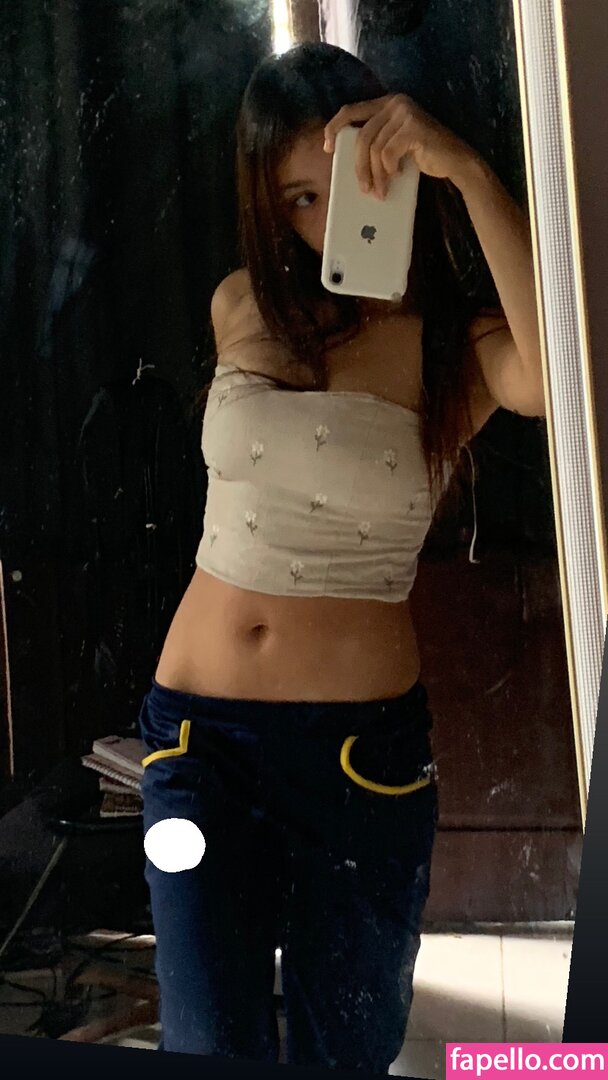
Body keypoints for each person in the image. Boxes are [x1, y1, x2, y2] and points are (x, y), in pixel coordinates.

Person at [137, 42, 544, 1071]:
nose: (325, 220)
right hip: (197, 748)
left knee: (346, 1049)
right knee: (206, 1042)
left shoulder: (453, 347)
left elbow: (554, 375)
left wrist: (469, 171)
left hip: (362, 764)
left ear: (404, 172)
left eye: (354, 182)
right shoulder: (241, 305)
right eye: (297, 198)